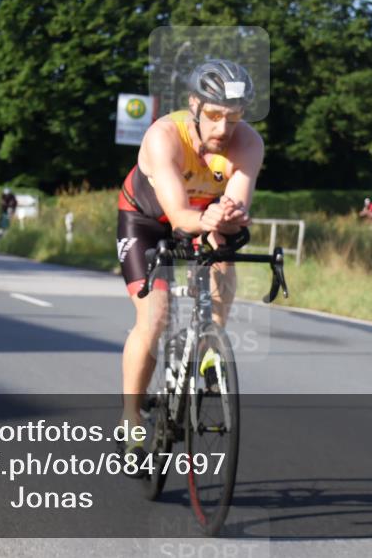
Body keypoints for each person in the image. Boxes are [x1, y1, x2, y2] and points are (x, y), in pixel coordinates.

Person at [116, 59, 264, 463]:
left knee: (224, 247)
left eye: (234, 117)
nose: (223, 128)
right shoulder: (163, 136)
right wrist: (211, 219)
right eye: (214, 115)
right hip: (146, 221)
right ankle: (130, 421)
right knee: (155, 316)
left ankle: (210, 344)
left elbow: (233, 209)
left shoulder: (248, 144)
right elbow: (181, 218)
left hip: (201, 217)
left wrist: (229, 218)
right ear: (194, 105)